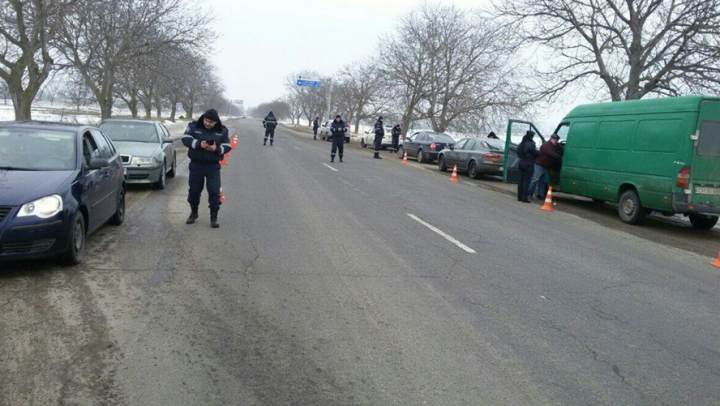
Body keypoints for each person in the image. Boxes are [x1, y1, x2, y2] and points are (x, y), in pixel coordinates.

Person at [181, 109, 231, 228]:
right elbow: (185, 139)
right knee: (194, 190)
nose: (207, 124)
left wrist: (216, 149)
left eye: (211, 122)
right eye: (206, 121)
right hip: (196, 164)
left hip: (212, 166)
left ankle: (214, 218)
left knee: (214, 191)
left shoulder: (222, 130)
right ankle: (193, 213)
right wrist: (199, 144)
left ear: (216, 122)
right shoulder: (194, 126)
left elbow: (227, 146)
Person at [529, 133, 563, 200]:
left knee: (543, 181)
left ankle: (540, 194)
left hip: (546, 166)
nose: (556, 141)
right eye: (555, 140)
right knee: (535, 179)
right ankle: (529, 193)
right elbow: (551, 153)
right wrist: (560, 157)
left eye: (557, 140)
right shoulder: (546, 145)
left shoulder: (554, 146)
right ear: (551, 139)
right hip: (540, 165)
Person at [517, 130, 539, 203]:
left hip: (521, 162)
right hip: (529, 163)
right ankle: (524, 198)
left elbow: (518, 152)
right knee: (527, 181)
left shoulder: (521, 144)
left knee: (521, 180)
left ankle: (519, 197)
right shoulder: (531, 144)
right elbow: (535, 153)